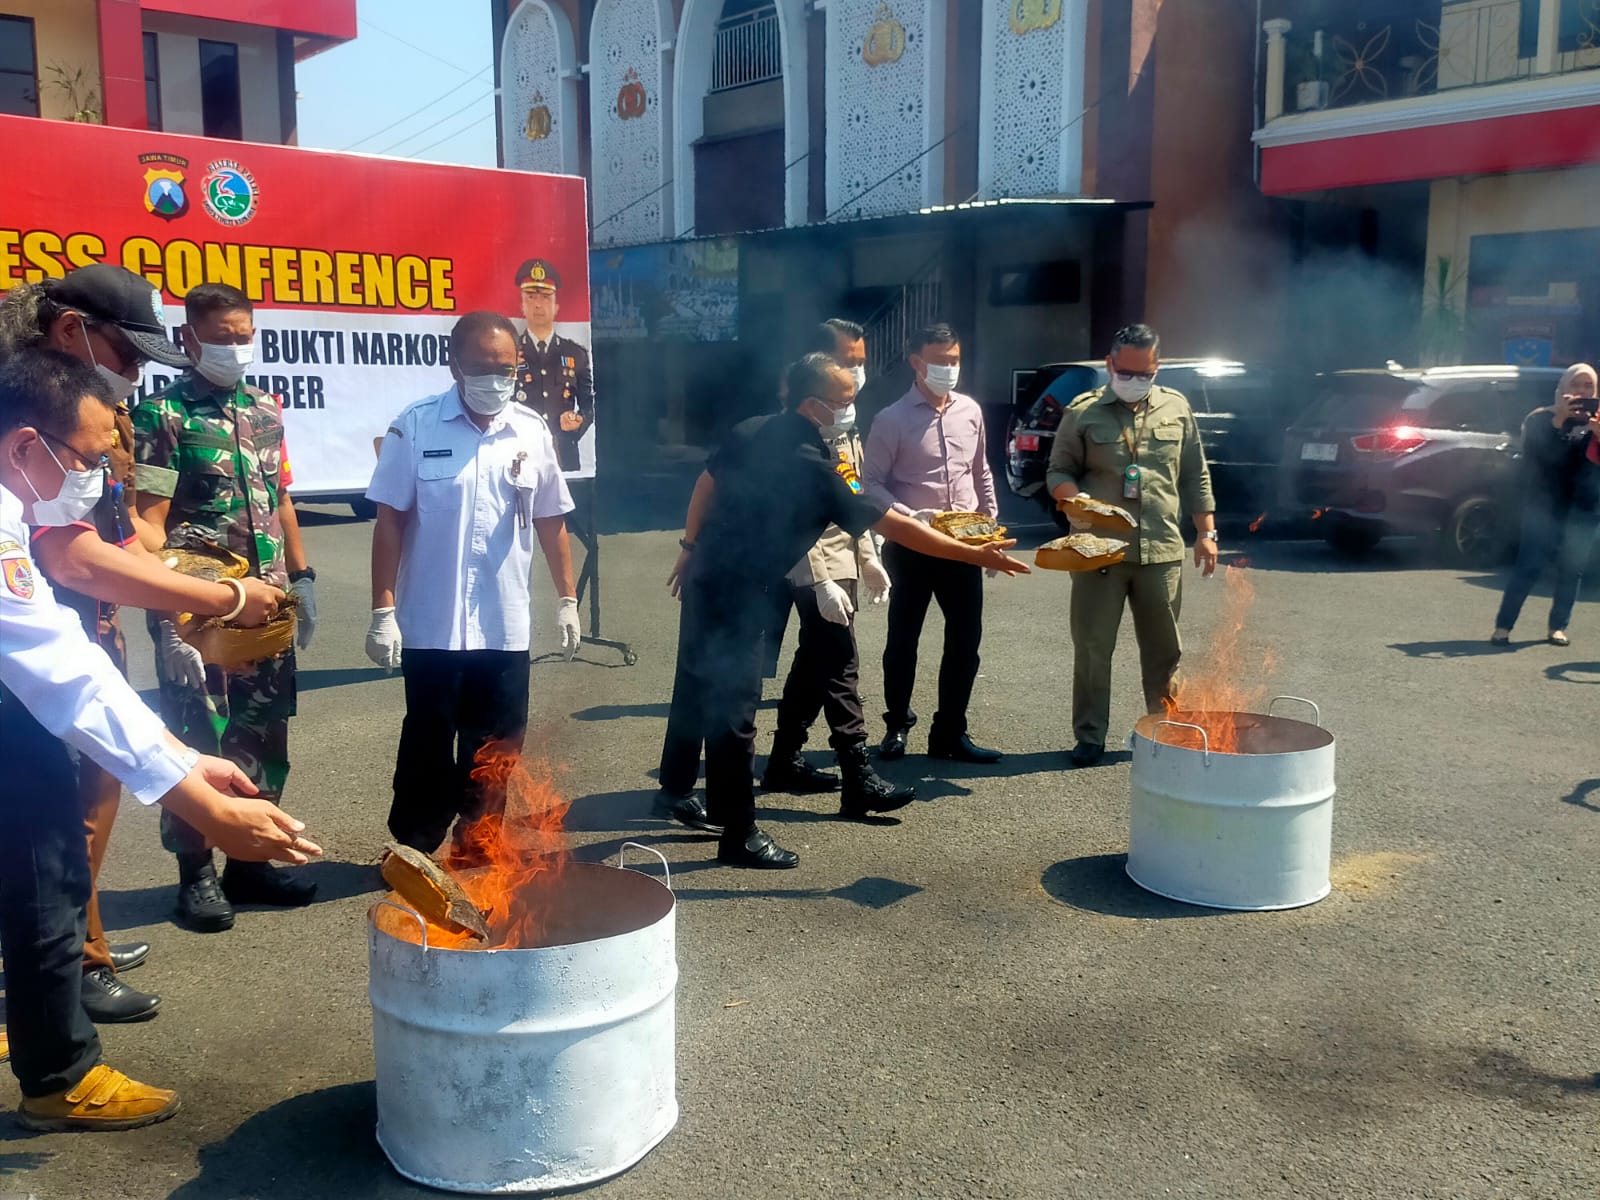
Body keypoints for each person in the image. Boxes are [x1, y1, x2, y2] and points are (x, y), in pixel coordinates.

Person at [0, 348, 320, 1131]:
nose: (92, 473)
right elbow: (58, 670)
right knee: (46, 869)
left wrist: (184, 759)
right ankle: (58, 1079)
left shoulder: (14, 502)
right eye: (83, 456)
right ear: (21, 446)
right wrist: (199, 806)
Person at [0, 265, 284, 1023]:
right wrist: (219, 595)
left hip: (69, 628)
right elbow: (71, 557)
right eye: (125, 357)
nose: (131, 379)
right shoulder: (32, 441)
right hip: (36, 642)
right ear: (71, 333)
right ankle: (60, 986)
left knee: (77, 807)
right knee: (50, 826)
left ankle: (73, 948)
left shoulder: (66, 425)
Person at [661, 352, 1030, 869]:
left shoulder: (754, 429)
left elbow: (708, 481)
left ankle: (703, 803)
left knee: (709, 695)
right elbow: (894, 528)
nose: (850, 407)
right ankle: (739, 835)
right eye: (843, 401)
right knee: (736, 712)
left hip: (710, 578)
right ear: (813, 405)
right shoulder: (820, 464)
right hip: (737, 592)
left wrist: (689, 545)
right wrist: (972, 552)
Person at [133, 283, 319, 931]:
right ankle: (197, 874)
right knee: (197, 737)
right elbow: (147, 522)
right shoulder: (163, 417)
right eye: (223, 337)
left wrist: (305, 575)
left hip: (266, 608)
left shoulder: (266, 408)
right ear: (189, 340)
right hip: (200, 613)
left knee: (265, 732)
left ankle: (252, 862)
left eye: (244, 334)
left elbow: (283, 499)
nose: (236, 347)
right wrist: (172, 610)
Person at [365, 311, 580, 856]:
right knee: (428, 742)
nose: (496, 379)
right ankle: (414, 846)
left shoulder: (530, 430)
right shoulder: (415, 425)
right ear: (454, 364)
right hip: (432, 623)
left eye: (506, 368)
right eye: (483, 367)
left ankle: (479, 839)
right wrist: (382, 611)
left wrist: (567, 600)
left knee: (498, 744)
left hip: (504, 624)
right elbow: (389, 520)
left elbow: (553, 519)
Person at [1047, 323, 1218, 768]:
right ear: (1110, 365)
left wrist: (1207, 533)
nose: (1134, 380)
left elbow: (1196, 475)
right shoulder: (1083, 412)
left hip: (1160, 550)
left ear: (1157, 368)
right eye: (1126, 371)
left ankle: (1165, 730)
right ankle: (1089, 736)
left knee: (1164, 651)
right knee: (1092, 648)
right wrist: (1073, 497)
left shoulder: (1177, 409)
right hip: (1097, 551)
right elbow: (1057, 471)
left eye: (1144, 373)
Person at [762, 320, 913, 820]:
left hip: (843, 559)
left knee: (815, 663)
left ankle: (784, 760)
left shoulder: (842, 425)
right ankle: (858, 778)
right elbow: (788, 519)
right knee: (841, 663)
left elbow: (855, 500)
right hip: (812, 565)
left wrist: (870, 560)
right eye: (849, 360)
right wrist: (820, 580)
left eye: (861, 360)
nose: (859, 371)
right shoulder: (792, 434)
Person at [863, 322, 1004, 764]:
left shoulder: (971, 411)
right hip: (910, 544)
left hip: (963, 545)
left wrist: (991, 529)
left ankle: (950, 733)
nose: (949, 368)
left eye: (954, 360)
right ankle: (896, 726)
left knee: (965, 641)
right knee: (903, 639)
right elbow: (870, 485)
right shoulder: (891, 419)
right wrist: (907, 515)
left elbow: (981, 473)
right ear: (917, 363)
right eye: (940, 361)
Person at [1492, 362, 1600, 647]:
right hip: (1544, 505)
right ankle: (1503, 627)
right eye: (1576, 384)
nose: (1582, 391)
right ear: (1562, 388)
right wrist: (1559, 419)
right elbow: (1539, 459)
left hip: (1583, 508)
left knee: (1571, 568)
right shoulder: (1540, 418)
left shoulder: (1596, 424)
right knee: (1529, 565)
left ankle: (1558, 627)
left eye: (1588, 386)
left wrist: (1598, 433)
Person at [512, 259, 593, 474]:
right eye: (531, 297)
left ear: (556, 307)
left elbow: (590, 404)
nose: (538, 304)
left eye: (545, 298)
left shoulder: (576, 354)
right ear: (522, 305)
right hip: (521, 455)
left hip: (563, 456)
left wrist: (579, 422)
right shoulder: (509, 352)